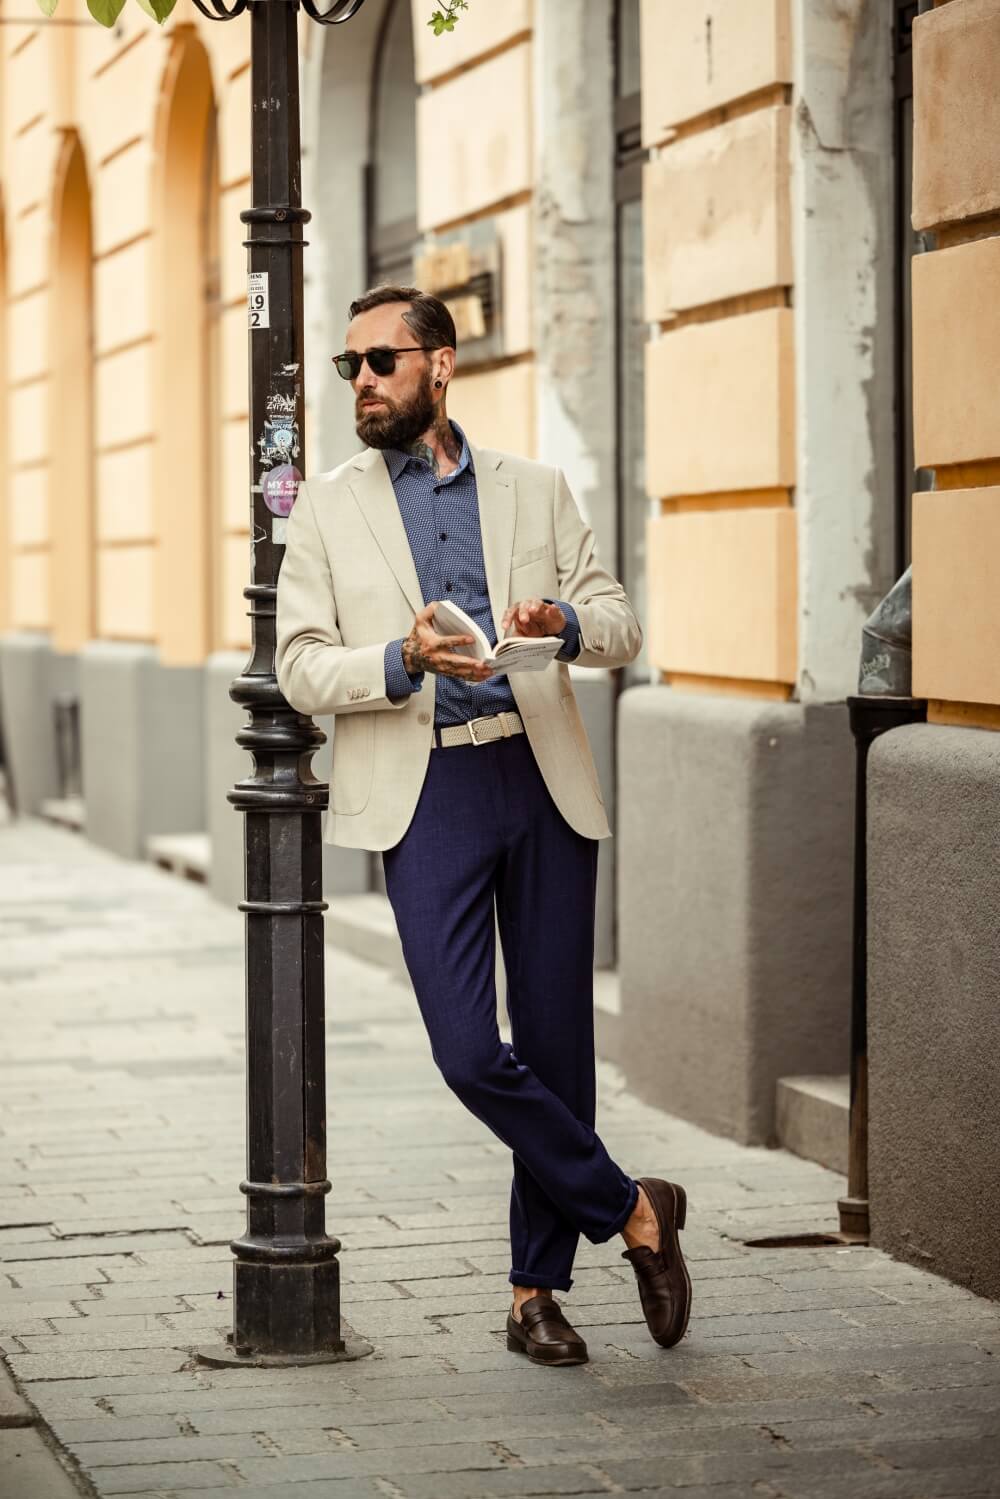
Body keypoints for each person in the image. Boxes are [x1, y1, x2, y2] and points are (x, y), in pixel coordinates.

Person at [275, 285, 691, 1367]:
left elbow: (620, 623)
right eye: (350, 366)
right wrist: (400, 657)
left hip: (538, 774)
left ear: (441, 364)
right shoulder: (327, 507)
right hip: (428, 794)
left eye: (381, 361)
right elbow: (299, 665)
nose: (362, 382)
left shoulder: (533, 488)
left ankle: (532, 1293)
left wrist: (565, 621)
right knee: (468, 1051)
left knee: (555, 1045)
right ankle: (635, 1208)